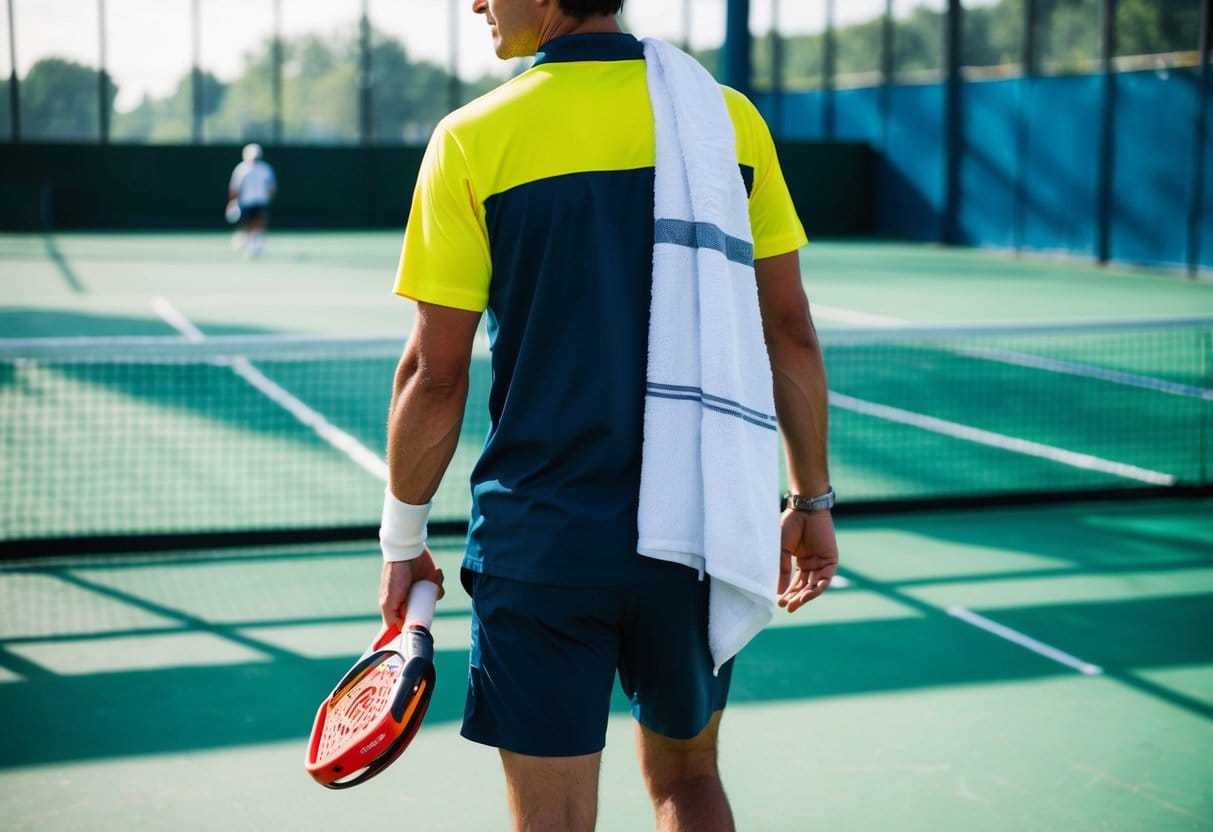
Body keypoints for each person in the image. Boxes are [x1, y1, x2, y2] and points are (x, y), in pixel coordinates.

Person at [376, 1, 839, 830]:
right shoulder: (726, 122)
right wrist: (811, 502)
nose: (476, 2)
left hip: (543, 545)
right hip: (698, 532)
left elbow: (432, 374)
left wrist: (401, 545)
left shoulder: (472, 138)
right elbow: (790, 330)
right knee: (688, 782)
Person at [227, 142, 276, 256]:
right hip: (246, 201)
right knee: (248, 224)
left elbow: (271, 187)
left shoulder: (265, 168)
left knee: (260, 223)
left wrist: (269, 197)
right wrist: (232, 202)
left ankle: (257, 246)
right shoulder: (241, 169)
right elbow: (234, 187)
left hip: (261, 201)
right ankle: (248, 244)